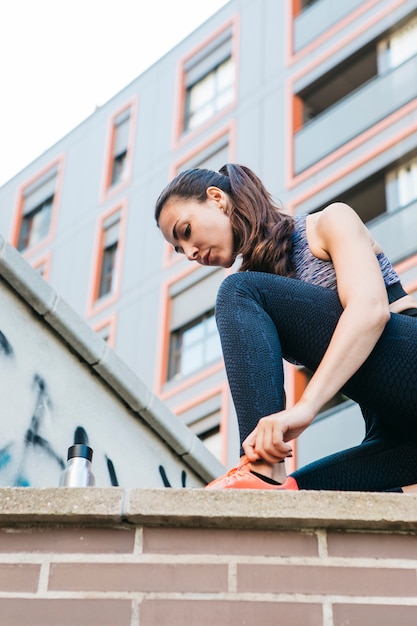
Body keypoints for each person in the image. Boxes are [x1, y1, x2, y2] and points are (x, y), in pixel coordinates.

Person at [155, 163, 417, 493]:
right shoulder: (265, 293)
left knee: (238, 290)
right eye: (179, 250)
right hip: (399, 431)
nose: (190, 253)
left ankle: (261, 467)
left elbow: (370, 310)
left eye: (186, 231)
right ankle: (265, 479)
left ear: (217, 198)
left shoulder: (328, 222)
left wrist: (304, 409)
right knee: (292, 497)